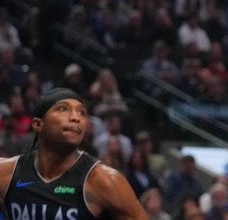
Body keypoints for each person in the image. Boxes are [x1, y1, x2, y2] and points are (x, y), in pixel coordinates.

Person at [0, 88, 147, 219]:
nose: (76, 118)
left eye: (82, 112)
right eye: (63, 109)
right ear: (38, 124)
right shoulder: (7, 172)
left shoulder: (105, 181)